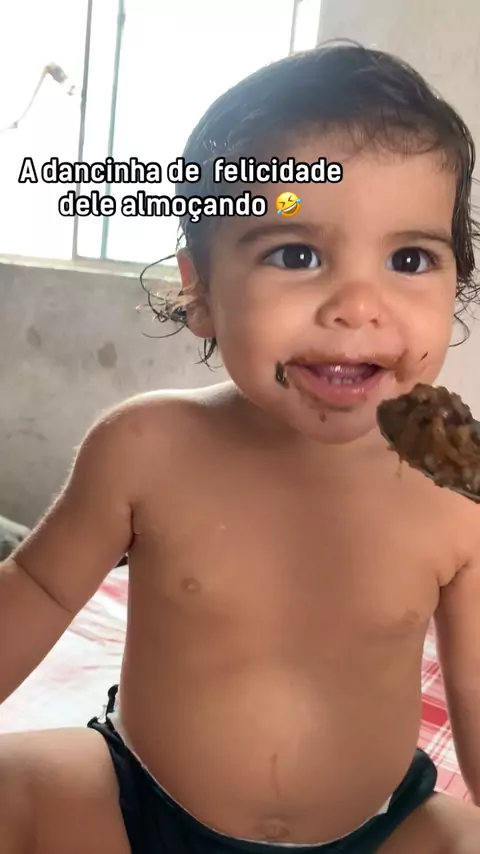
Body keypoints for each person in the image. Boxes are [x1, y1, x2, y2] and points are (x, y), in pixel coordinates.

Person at [1, 39, 480, 854]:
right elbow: (38, 589)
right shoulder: (145, 447)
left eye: (409, 258)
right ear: (200, 289)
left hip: (376, 829)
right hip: (136, 805)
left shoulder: (455, 492)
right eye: (296, 253)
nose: (358, 304)